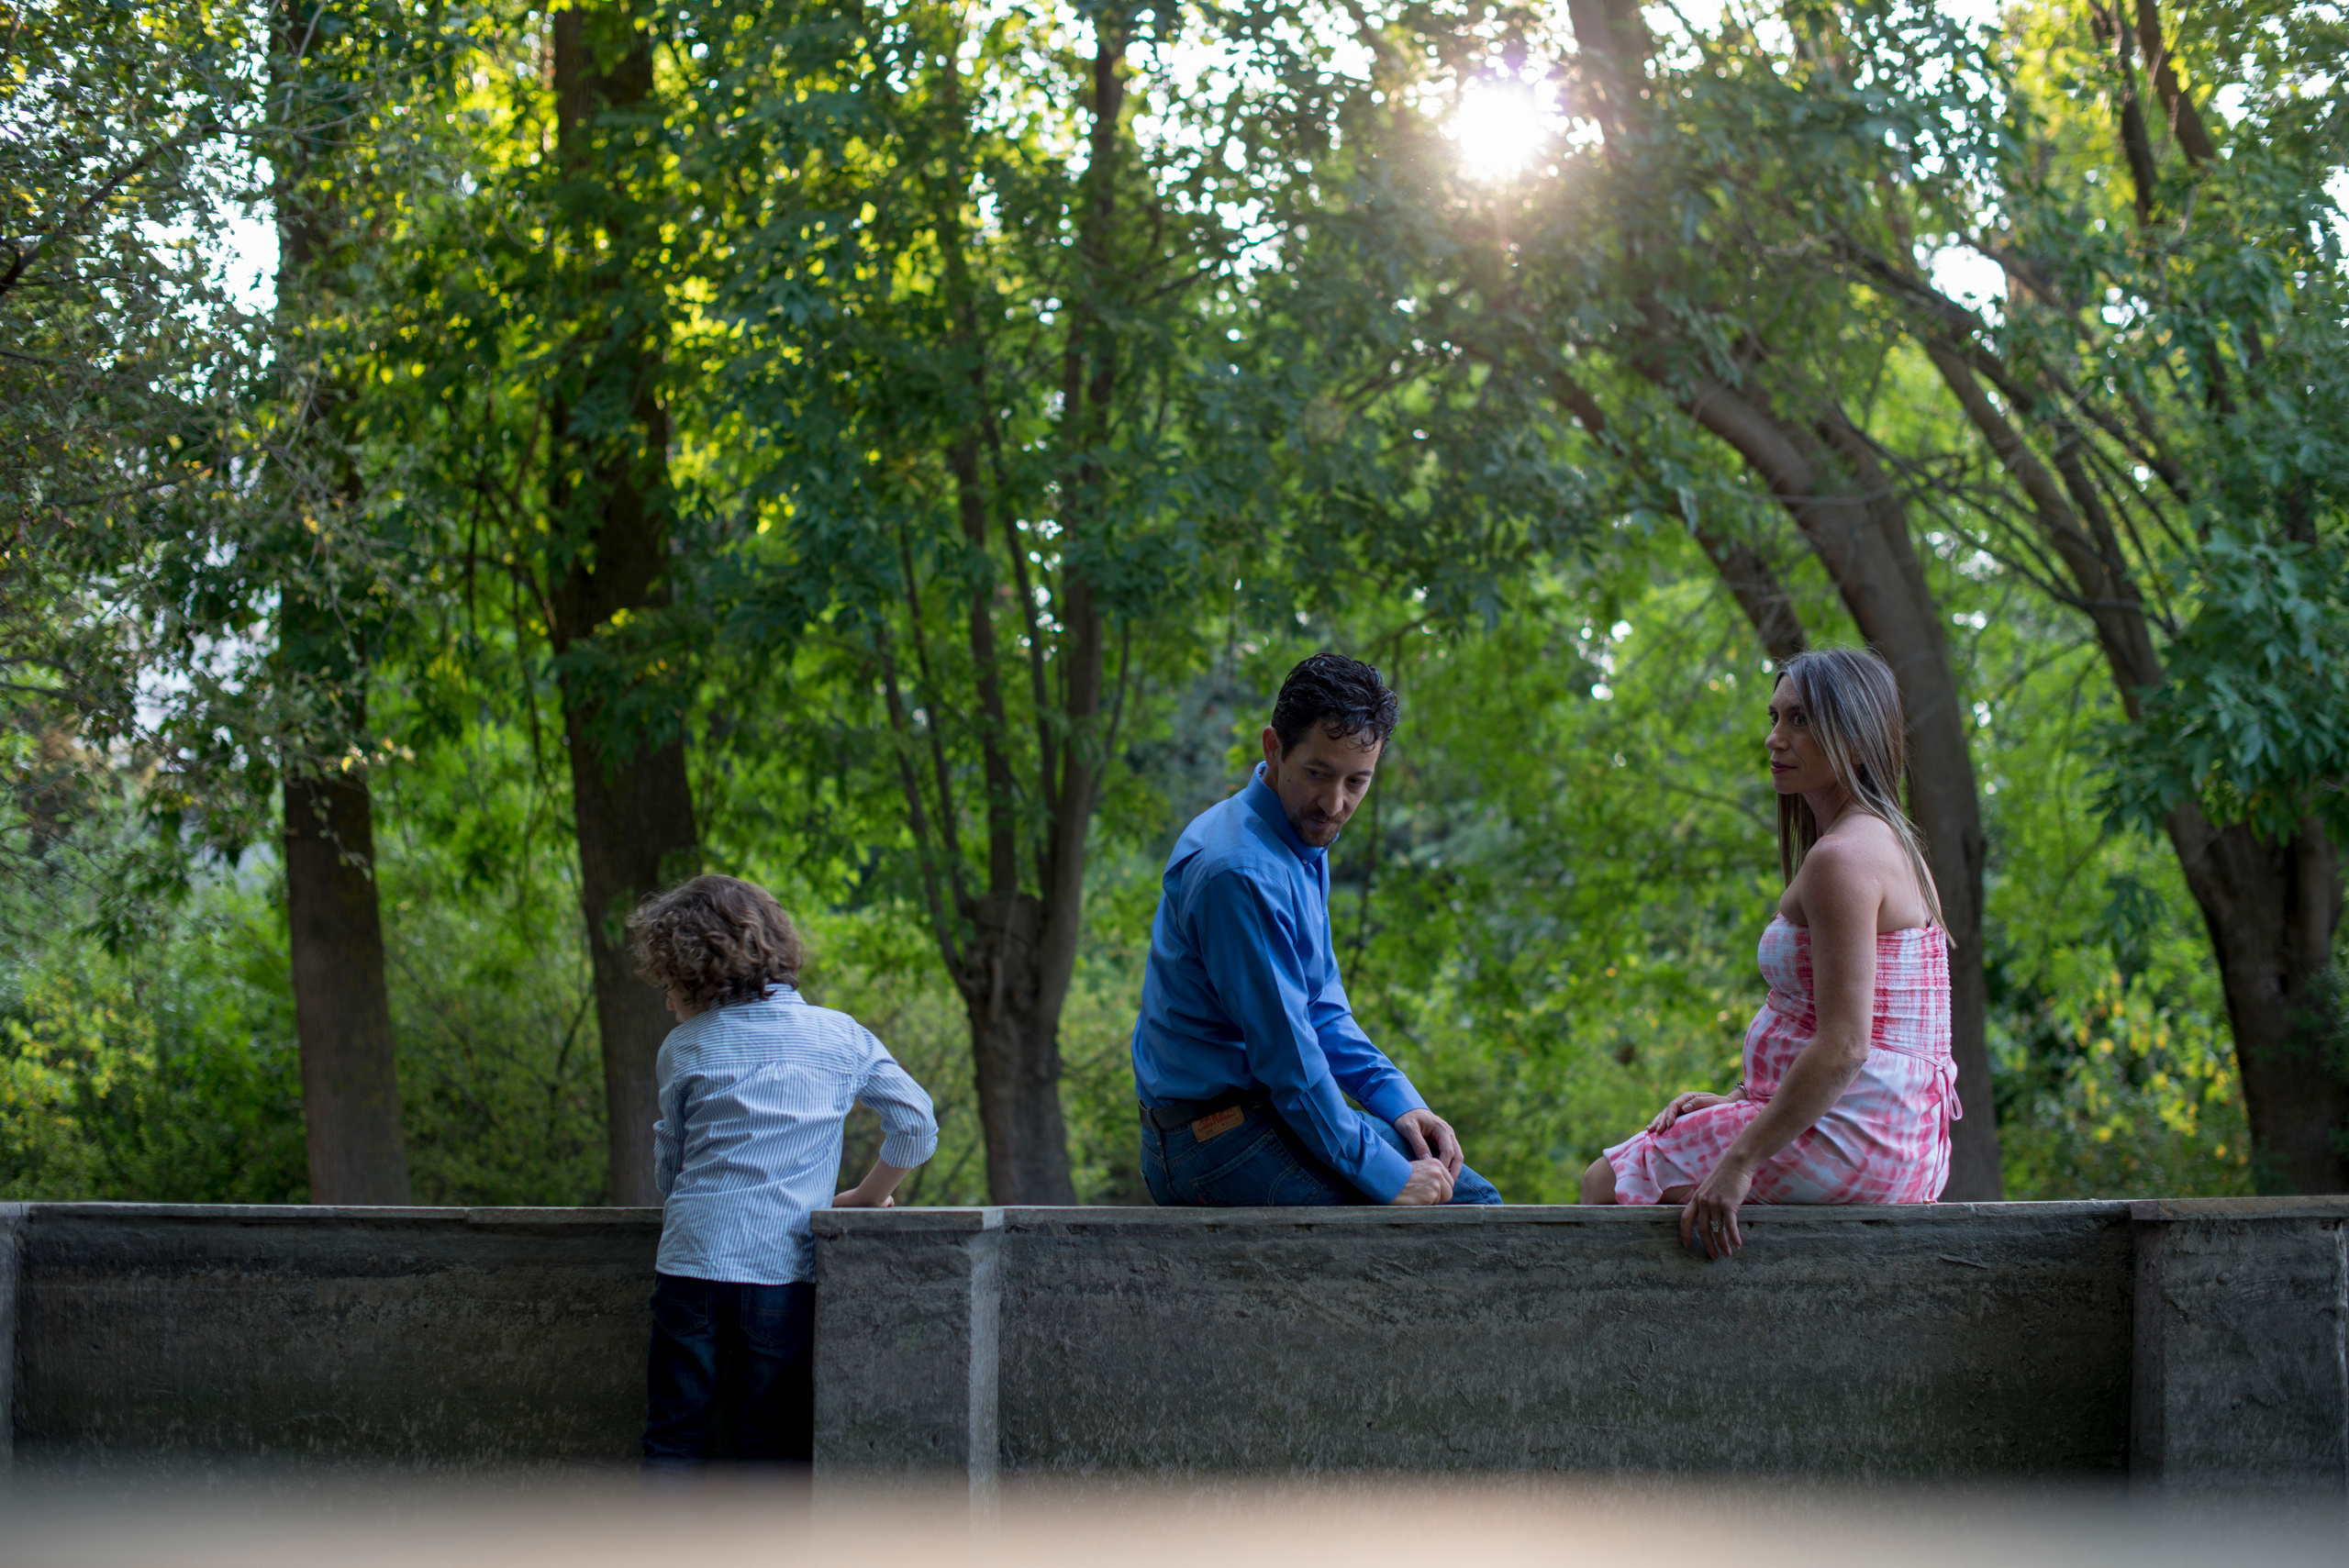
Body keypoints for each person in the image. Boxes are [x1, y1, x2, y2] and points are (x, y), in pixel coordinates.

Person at [1581, 646, 1958, 1257]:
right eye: (1775, 716)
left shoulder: (1843, 859)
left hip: (1856, 1137)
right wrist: (1741, 1102)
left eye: (1800, 719)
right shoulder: (1885, 843)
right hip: (1894, 1138)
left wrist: (1741, 1157)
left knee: (1606, 1185)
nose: (1774, 738)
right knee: (1657, 1166)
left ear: (1858, 741)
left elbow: (1846, 1045)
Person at [1132, 652, 1501, 1207]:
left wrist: (1401, 1103)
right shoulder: (1240, 872)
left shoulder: (1298, 839)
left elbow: (1323, 1010)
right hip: (1214, 1142)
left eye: (1358, 781)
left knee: (1456, 1194)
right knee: (1469, 1210)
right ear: (1273, 749)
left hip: (1257, 1117)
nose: (1335, 804)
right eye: (1319, 774)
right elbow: (1290, 1062)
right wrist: (1388, 1176)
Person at [629, 873, 939, 1468]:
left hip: (689, 1265)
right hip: (782, 1271)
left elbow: (670, 1171)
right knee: (772, 1440)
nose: (666, 998)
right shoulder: (840, 1035)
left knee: (673, 1435)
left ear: (697, 971)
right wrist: (866, 1197)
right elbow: (917, 1124)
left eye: (668, 982)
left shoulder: (685, 1046)